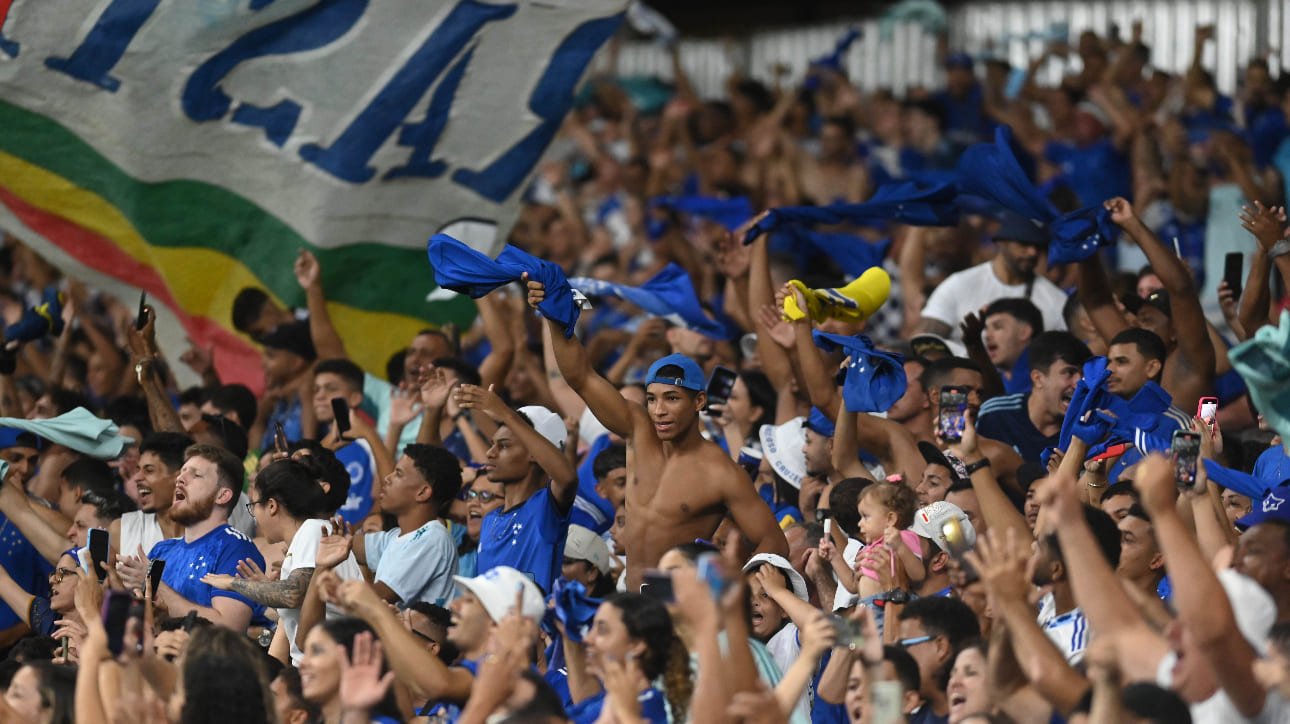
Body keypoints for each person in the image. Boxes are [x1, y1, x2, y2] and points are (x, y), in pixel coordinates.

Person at [535, 273, 788, 588]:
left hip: (678, 612)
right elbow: (581, 377)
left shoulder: (720, 473)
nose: (659, 410)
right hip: (629, 600)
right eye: (652, 399)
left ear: (699, 401)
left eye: (672, 399)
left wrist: (729, 589)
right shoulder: (637, 430)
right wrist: (555, 318)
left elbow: (774, 542)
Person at [201, 457, 364, 664]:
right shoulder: (305, 536)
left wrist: (232, 583)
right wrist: (268, 588)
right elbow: (296, 602)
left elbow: (292, 594)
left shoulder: (313, 530)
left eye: (253, 506)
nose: (254, 517)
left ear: (271, 506)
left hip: (339, 664)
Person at [453, 383, 577, 593]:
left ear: (534, 454)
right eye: (493, 444)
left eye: (503, 446)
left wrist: (506, 413)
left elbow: (567, 478)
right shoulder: (490, 518)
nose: (490, 453)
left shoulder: (544, 510)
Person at [145, 443, 268, 631]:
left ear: (222, 495)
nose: (180, 479)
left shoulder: (236, 549)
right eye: (182, 472)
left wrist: (154, 585)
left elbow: (229, 628)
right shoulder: (162, 549)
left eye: (195, 475)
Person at [917, 212, 1069, 341]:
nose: (1032, 252)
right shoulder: (959, 285)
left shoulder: (1056, 301)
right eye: (1024, 243)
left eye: (1038, 246)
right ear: (1001, 242)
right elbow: (925, 343)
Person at [344, 443, 461, 607]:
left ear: (422, 492)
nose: (387, 478)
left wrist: (331, 588)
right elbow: (348, 544)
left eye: (398, 474)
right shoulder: (395, 536)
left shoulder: (433, 538)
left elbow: (378, 596)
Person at [563, 594, 689, 724]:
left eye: (602, 630)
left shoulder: (649, 709)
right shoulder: (603, 701)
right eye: (591, 628)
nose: (588, 639)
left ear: (636, 645)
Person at [975, 332, 1092, 462]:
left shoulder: (1086, 431)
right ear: (1038, 379)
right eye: (1069, 372)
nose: (1081, 383)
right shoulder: (995, 415)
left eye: (1084, 375)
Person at [311, 358, 394, 525]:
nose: (320, 396)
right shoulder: (318, 446)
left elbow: (389, 493)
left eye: (331, 389)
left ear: (355, 398)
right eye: (316, 390)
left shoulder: (371, 445)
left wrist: (357, 533)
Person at [977, 297, 1045, 393]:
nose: (987, 336)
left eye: (998, 327)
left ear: (1024, 332)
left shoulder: (1045, 375)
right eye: (986, 329)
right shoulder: (999, 379)